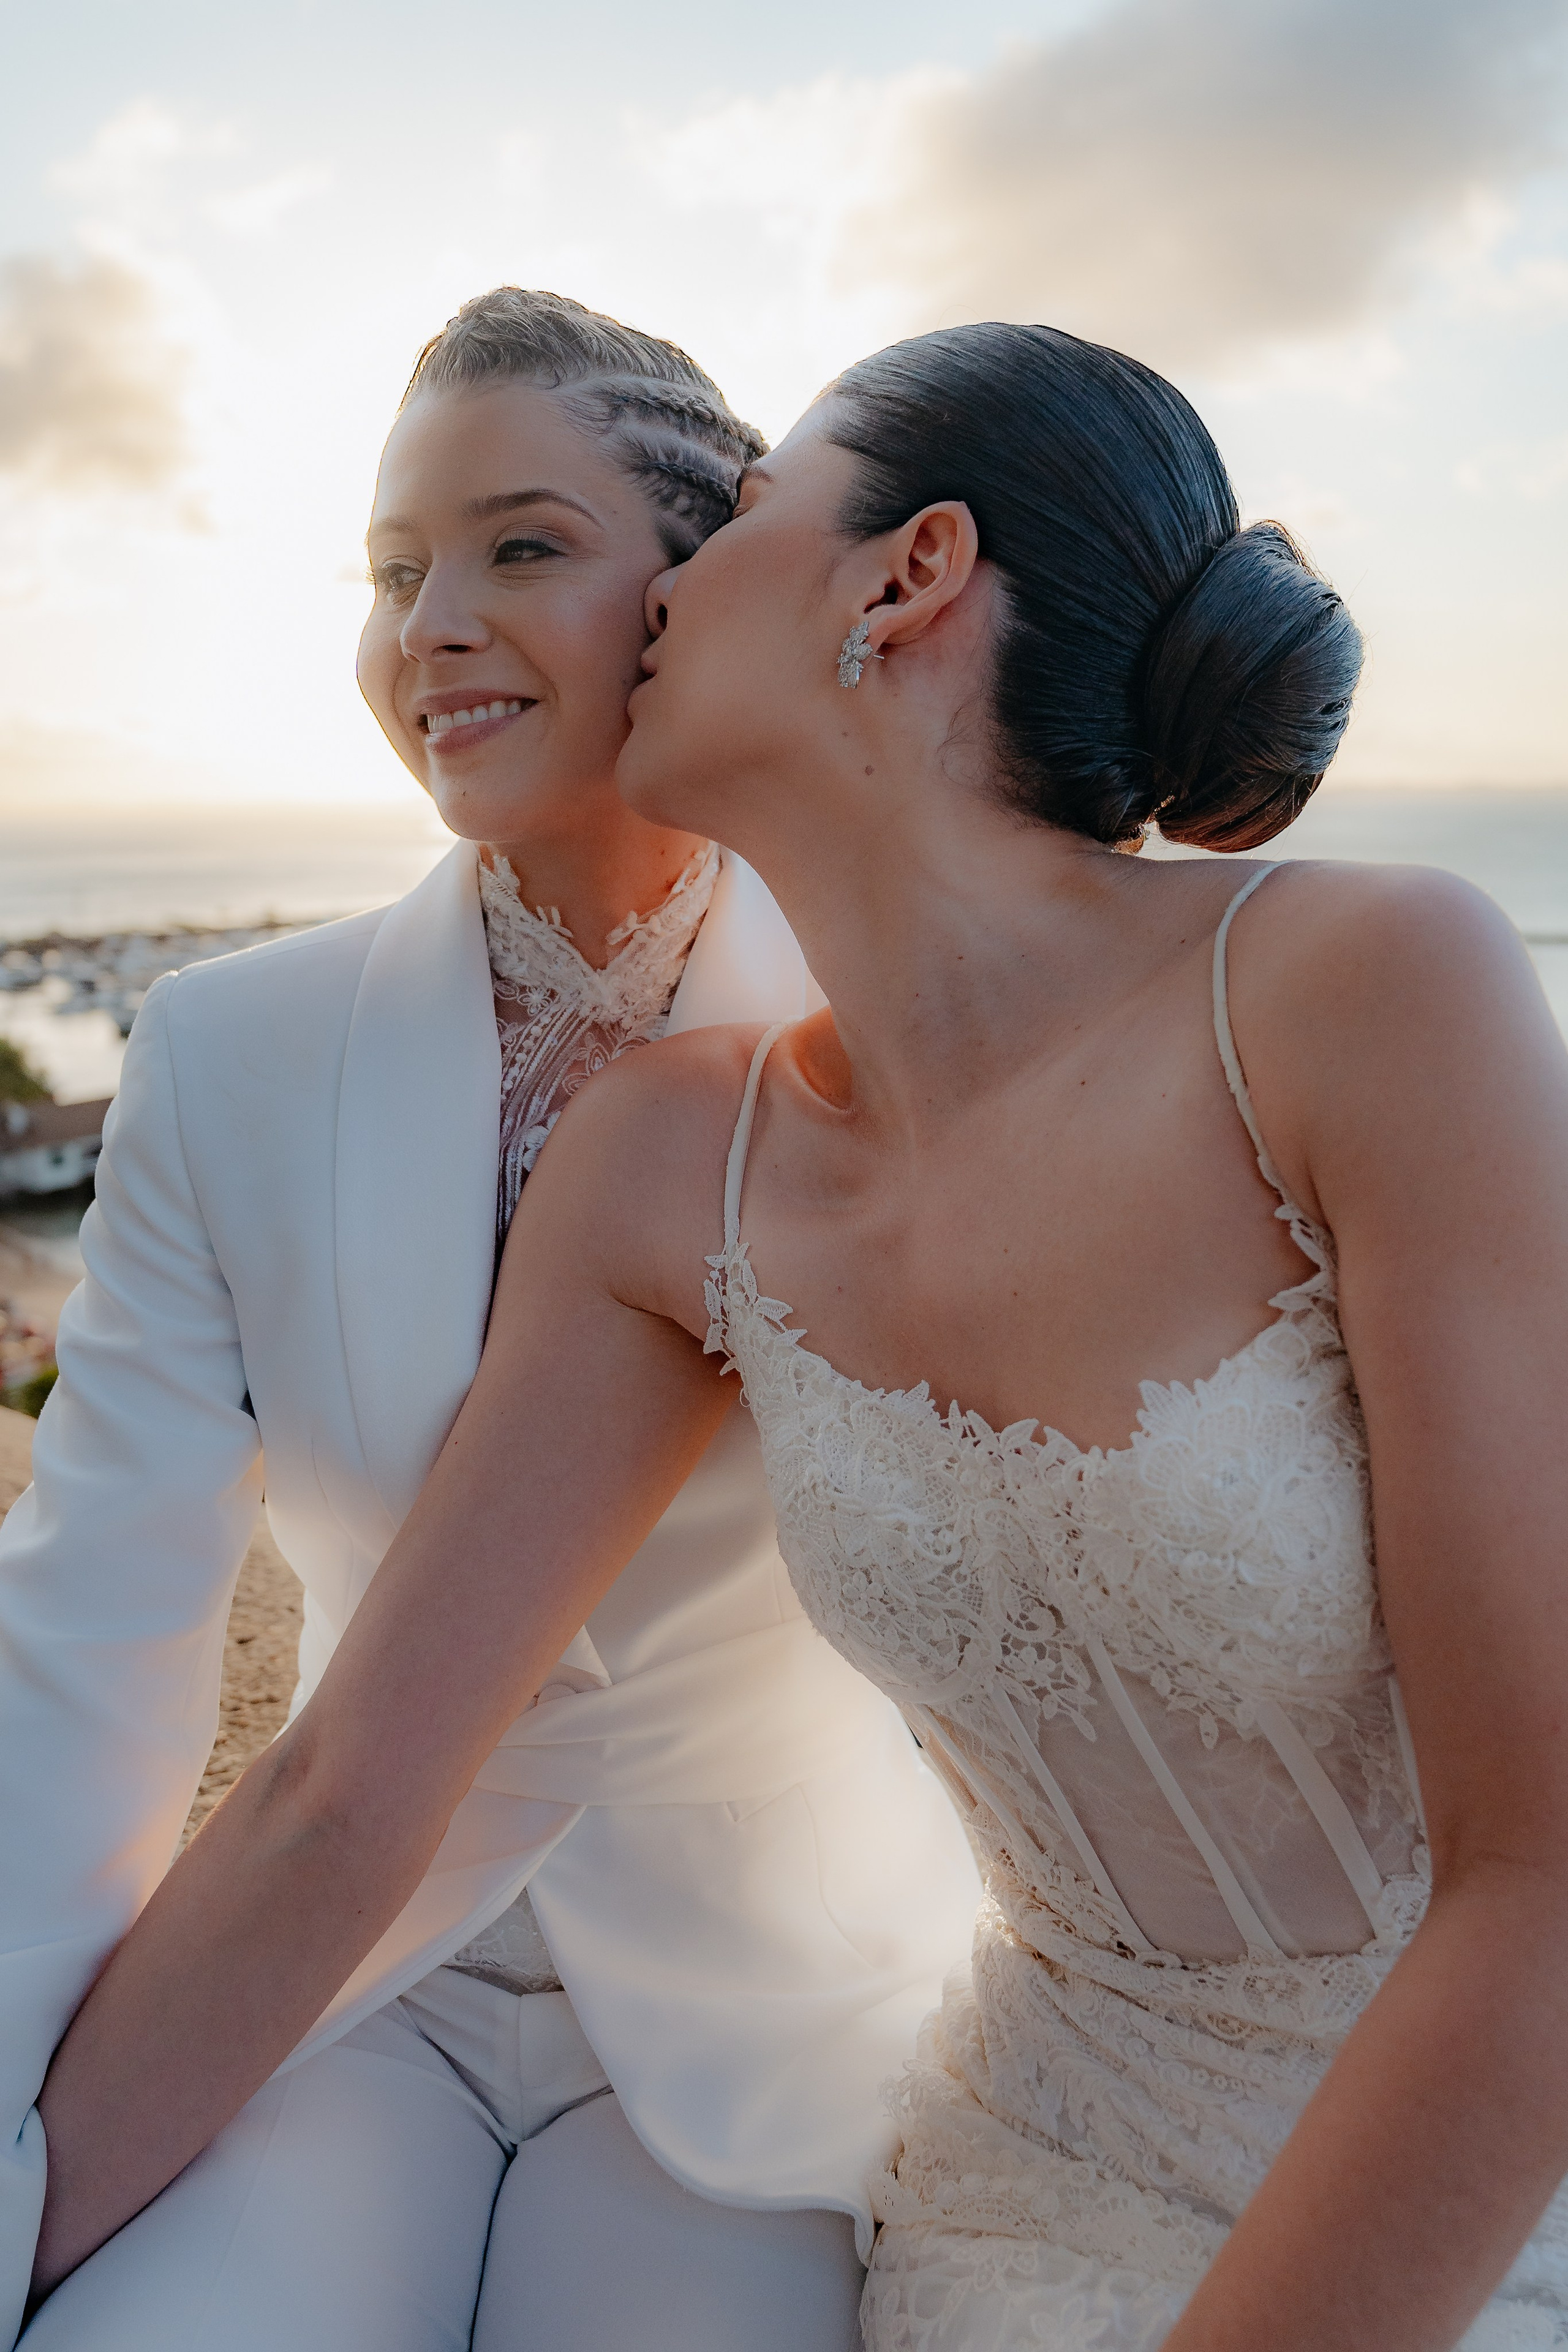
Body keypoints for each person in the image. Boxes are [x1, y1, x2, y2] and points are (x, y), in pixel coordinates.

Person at [28, 316, 1568, 2352]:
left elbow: (1542, 1876)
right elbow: (338, 1781)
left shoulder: (1368, 984)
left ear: (908, 578)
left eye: (734, 518)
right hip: (1015, 2180)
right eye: (395, 572)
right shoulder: (673, 1164)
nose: (658, 597)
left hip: (1428, 2145)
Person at [0, 289, 981, 2352]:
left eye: (521, 547)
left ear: (697, 590)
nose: (428, 625)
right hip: (332, 1990)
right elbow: (90, 1641)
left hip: (769, 2026)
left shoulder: (901, 1027)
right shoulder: (228, 1049)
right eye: (390, 573)